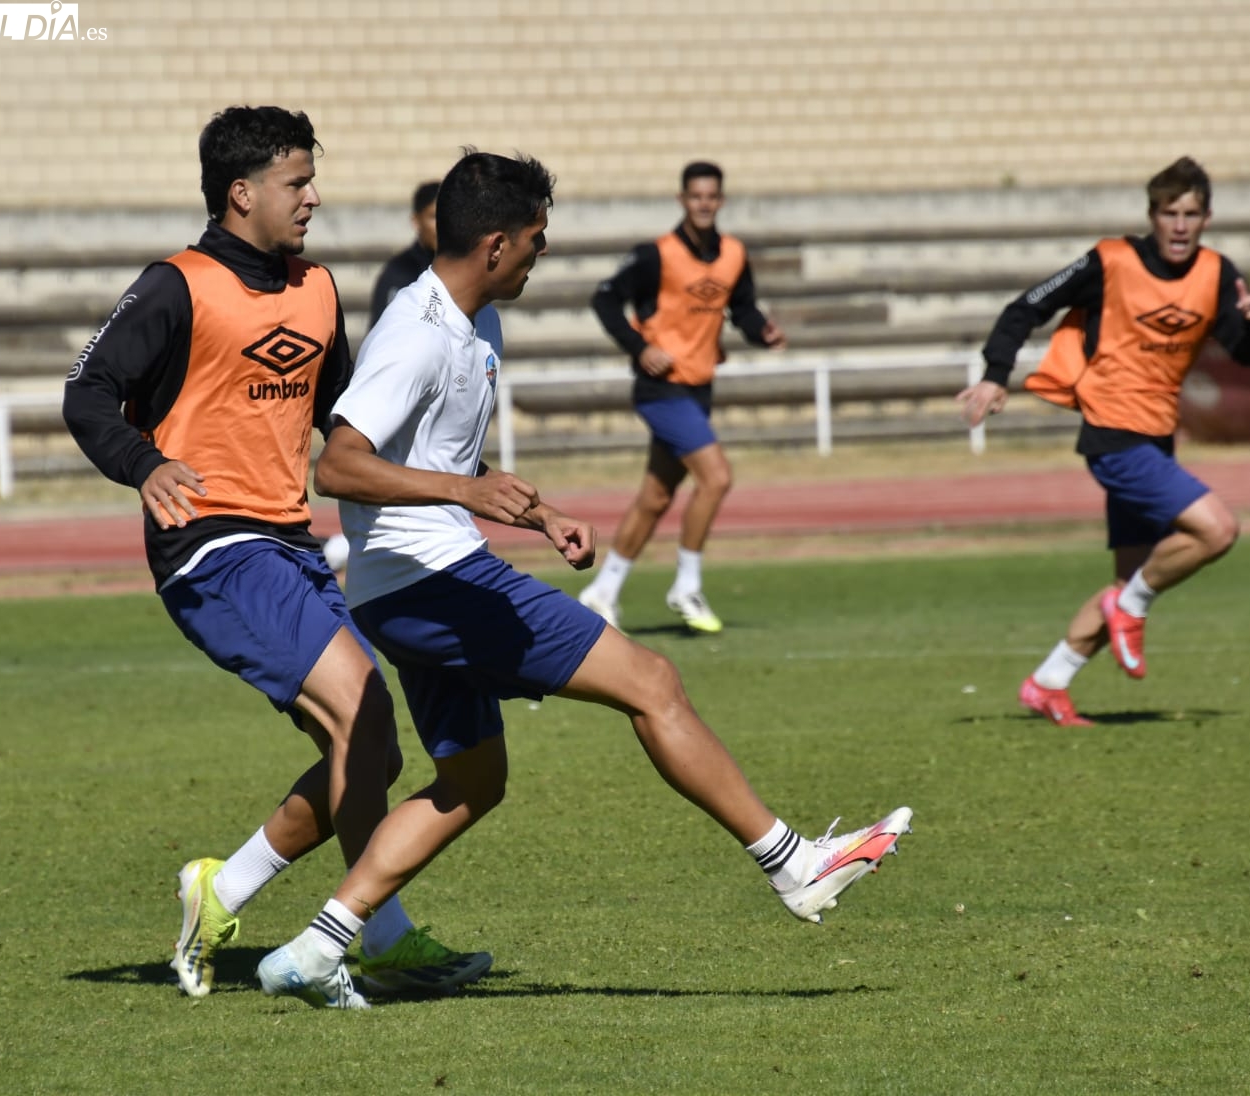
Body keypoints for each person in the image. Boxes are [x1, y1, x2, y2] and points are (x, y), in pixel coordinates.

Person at [254, 150, 911, 1010]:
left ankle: (314, 948)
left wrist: (533, 510)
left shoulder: (474, 318)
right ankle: (794, 865)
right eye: (536, 241)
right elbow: (339, 467)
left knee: (474, 783)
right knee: (653, 681)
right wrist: (469, 493)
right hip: (432, 583)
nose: (541, 256)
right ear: (494, 244)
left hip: (417, 584)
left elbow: (438, 454)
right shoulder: (416, 330)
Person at [62, 105, 489, 1001]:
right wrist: (144, 463)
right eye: (297, 183)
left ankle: (225, 889)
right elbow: (88, 392)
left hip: (291, 544)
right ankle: (372, 935)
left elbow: (350, 425)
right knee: (364, 717)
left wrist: (468, 477)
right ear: (241, 192)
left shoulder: (319, 289)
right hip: (211, 545)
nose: (313, 198)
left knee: (371, 756)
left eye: (311, 179)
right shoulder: (176, 284)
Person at [957, 156, 1250, 727]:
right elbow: (1025, 307)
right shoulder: (1111, 260)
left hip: (1156, 441)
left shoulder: (1215, 273)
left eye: (1191, 214)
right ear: (1152, 216)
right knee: (1217, 530)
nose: (1180, 226)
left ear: (1207, 218)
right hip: (1113, 438)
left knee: (1128, 577)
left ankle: (1048, 683)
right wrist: (992, 374)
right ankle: (1129, 608)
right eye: (1169, 213)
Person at [576, 161, 786, 634]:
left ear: (721, 200)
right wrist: (639, 347)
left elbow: (743, 308)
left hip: (699, 387)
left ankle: (602, 591)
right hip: (660, 389)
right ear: (682, 200)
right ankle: (686, 585)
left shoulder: (733, 254)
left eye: (712, 196)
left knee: (655, 496)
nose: (704, 204)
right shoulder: (656, 255)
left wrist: (762, 332)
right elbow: (604, 298)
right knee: (717, 478)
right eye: (696, 196)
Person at [365, 179, 438, 338]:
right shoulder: (399, 271)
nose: (440, 226)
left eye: (445, 217)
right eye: (433, 217)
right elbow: (382, 333)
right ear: (416, 221)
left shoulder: (459, 270)